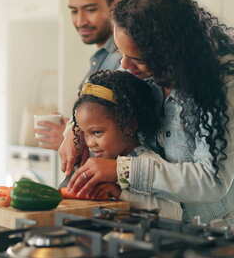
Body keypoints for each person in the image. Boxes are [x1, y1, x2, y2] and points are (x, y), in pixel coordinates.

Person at [63, 0, 234, 228]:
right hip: (168, 223)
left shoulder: (225, 84)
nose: (125, 67)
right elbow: (104, 96)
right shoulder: (140, 69)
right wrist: (73, 129)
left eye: (137, 58)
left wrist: (121, 170)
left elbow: (211, 181)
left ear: (170, 55)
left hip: (230, 226)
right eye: (121, 53)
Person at [71, 70, 182, 219]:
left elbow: (174, 212)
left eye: (97, 132)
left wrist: (121, 194)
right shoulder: (102, 163)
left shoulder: (147, 162)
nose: (90, 143)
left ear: (129, 126)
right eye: (84, 133)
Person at [34, 0, 123, 150]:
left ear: (115, 6)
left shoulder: (124, 61)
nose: (80, 21)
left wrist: (73, 140)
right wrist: (71, 129)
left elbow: (128, 142)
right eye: (74, 11)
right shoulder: (100, 59)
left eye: (90, 10)